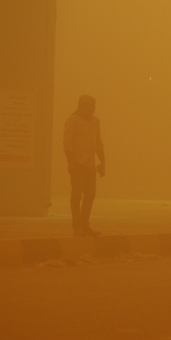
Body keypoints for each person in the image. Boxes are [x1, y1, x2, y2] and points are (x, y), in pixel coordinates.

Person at [64, 94, 105, 236]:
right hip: (77, 164)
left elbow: (98, 143)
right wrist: (70, 163)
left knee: (90, 195)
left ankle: (84, 224)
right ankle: (76, 226)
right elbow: (67, 144)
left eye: (94, 106)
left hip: (90, 165)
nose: (93, 109)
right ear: (82, 105)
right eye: (90, 105)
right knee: (76, 195)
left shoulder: (95, 122)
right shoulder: (72, 121)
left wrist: (103, 162)